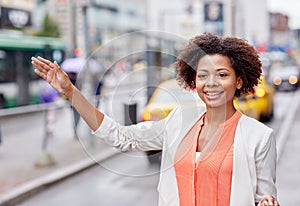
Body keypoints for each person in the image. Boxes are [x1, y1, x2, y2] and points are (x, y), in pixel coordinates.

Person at [31, 33, 280, 206]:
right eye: (203, 75)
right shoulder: (179, 122)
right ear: (195, 81)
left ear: (238, 81)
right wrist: (70, 92)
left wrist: (268, 201)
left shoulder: (258, 137)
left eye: (222, 74)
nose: (211, 83)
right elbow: (121, 137)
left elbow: (264, 196)